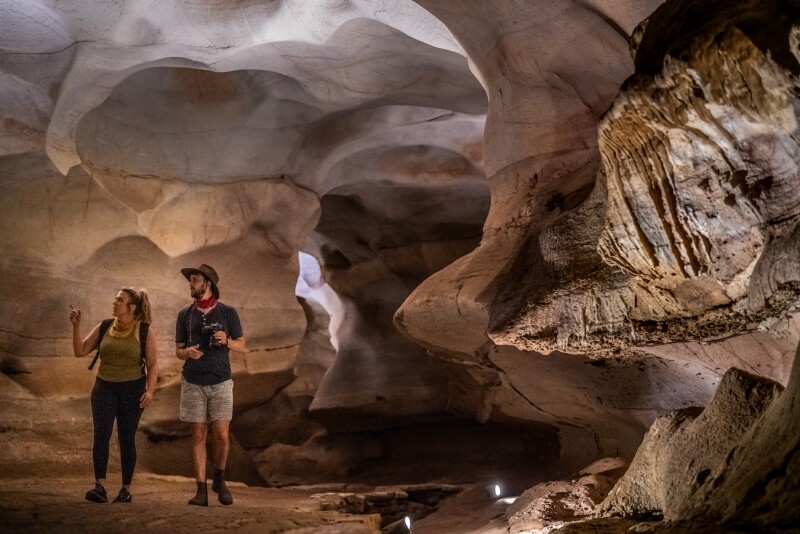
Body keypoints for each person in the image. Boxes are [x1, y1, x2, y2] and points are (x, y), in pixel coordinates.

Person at [69, 288, 158, 504]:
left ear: (132, 307)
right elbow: (80, 351)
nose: (115, 302)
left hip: (132, 391)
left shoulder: (144, 330)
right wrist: (76, 327)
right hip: (104, 388)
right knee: (102, 435)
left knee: (126, 438)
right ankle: (99, 487)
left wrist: (150, 390)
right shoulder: (105, 326)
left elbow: (153, 364)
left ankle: (125, 490)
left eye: (120, 300)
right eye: (115, 298)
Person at [175, 264, 245, 506]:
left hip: (221, 380)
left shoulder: (228, 313)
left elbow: (242, 345)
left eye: (194, 280)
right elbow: (178, 351)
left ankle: (220, 479)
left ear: (208, 284)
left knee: (223, 435)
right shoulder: (184, 315)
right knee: (197, 434)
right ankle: (201, 490)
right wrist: (187, 353)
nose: (190, 284)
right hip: (193, 380)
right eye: (191, 280)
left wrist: (226, 340)